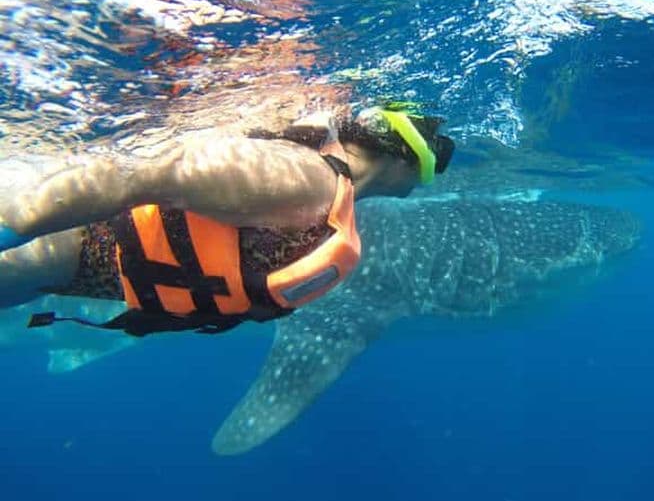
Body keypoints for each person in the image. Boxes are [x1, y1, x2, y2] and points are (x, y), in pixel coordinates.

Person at [0, 106, 454, 335]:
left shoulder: (326, 189)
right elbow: (138, 174)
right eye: (440, 155)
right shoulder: (308, 180)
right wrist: (12, 226)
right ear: (407, 157)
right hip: (39, 250)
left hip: (49, 269)